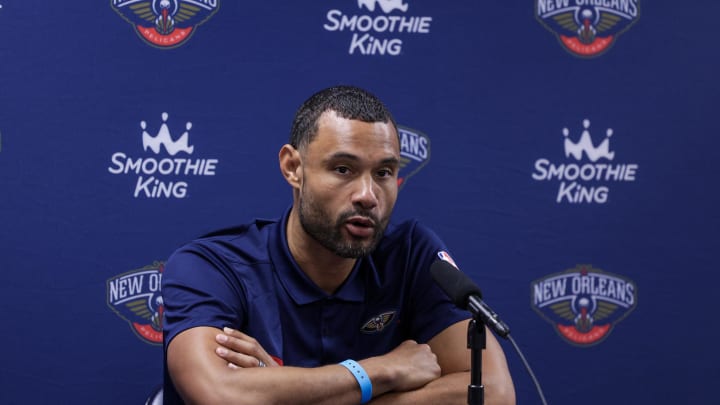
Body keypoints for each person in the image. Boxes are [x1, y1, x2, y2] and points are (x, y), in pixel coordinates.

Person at [162, 85, 516, 404]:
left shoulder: (411, 253)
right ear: (293, 167)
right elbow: (220, 394)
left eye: (384, 173)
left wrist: (288, 393)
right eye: (343, 169)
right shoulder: (210, 267)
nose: (367, 196)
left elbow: (493, 394)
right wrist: (380, 372)